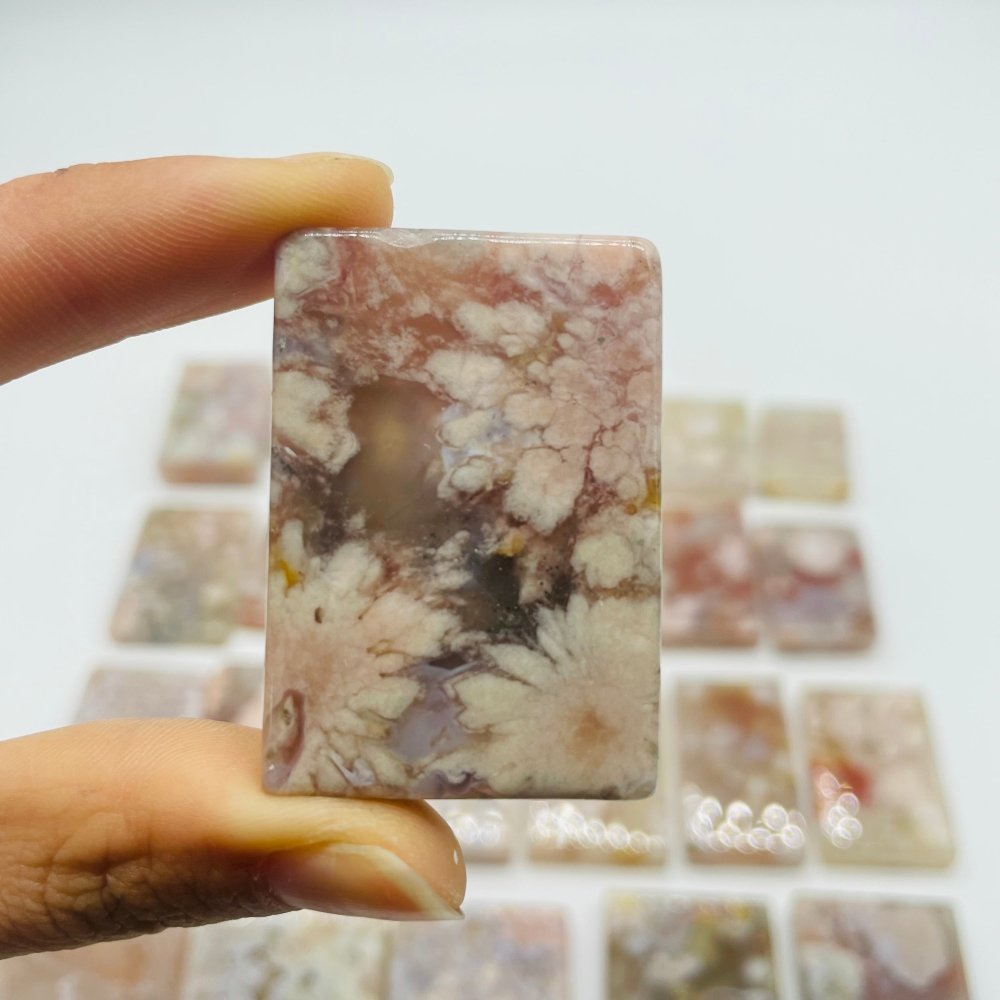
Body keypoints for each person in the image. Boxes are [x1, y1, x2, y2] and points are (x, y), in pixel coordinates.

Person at [0, 154, 467, 959]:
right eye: (392, 421)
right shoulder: (339, 497)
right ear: (364, 424)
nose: (410, 438)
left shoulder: (453, 509)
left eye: (418, 425)